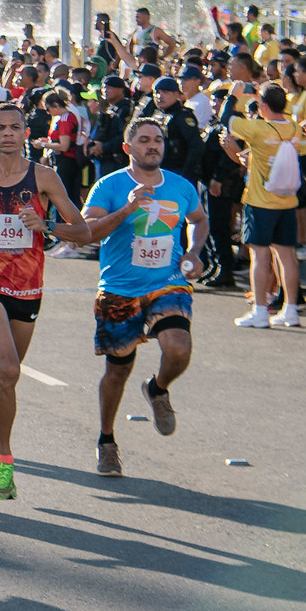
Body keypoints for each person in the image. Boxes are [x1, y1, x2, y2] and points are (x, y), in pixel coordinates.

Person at [0, 104, 97, 500]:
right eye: (0, 128)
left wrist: (46, 225)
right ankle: (5, 462)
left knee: (7, 374)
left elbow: (81, 231)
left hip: (28, 284)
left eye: (15, 127)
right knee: (9, 366)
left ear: (26, 132)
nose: (8, 133)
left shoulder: (44, 177)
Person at [81, 118, 206, 478]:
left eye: (158, 140)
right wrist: (128, 209)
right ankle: (107, 441)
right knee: (117, 371)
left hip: (167, 282)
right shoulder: (109, 186)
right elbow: (89, 232)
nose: (153, 145)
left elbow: (199, 220)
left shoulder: (181, 187)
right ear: (128, 148)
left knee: (179, 347)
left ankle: (158, 388)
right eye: (144, 140)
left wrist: (195, 252)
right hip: (120, 288)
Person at [223, 83, 303, 328]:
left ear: (263, 106)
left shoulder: (257, 128)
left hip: (261, 201)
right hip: (287, 200)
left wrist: (234, 95)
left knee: (260, 254)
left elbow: (227, 120)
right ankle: (290, 309)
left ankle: (260, 311)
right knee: (287, 254)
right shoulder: (294, 128)